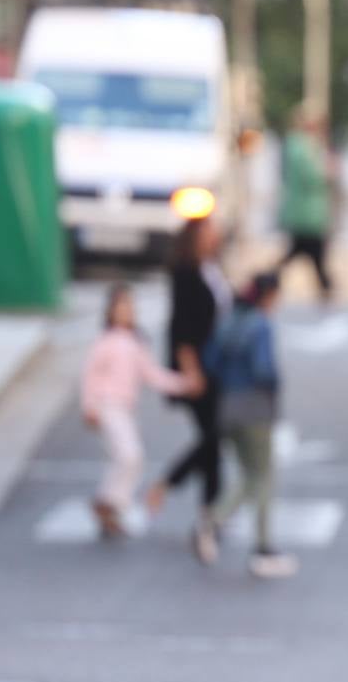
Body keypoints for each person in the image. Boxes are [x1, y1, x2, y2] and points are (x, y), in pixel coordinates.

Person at [202, 272, 296, 577]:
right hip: (255, 407)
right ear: (269, 296)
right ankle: (262, 546)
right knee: (263, 475)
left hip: (227, 405)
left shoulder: (229, 321)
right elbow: (263, 368)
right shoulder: (261, 325)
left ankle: (215, 520)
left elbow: (210, 361)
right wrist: (274, 389)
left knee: (248, 474)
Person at [79, 284, 189, 540]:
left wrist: (183, 383)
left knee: (126, 458)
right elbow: (90, 375)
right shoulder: (104, 342)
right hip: (107, 405)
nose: (126, 311)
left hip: (126, 408)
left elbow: (152, 374)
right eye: (120, 307)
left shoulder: (136, 342)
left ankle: (109, 503)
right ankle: (111, 500)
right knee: (129, 455)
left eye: (129, 306)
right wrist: (89, 406)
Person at [146, 214, 229, 532]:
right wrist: (191, 370)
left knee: (213, 441)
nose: (214, 236)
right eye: (207, 231)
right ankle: (170, 484)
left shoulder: (213, 269)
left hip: (218, 365)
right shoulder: (185, 273)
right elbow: (182, 327)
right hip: (197, 367)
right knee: (213, 437)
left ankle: (211, 509)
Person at [277, 117, 335, 302]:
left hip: (305, 212)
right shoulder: (302, 149)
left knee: (302, 252)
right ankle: (326, 288)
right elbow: (312, 178)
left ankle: (325, 288)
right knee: (313, 254)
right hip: (308, 214)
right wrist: (327, 172)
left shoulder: (297, 147)